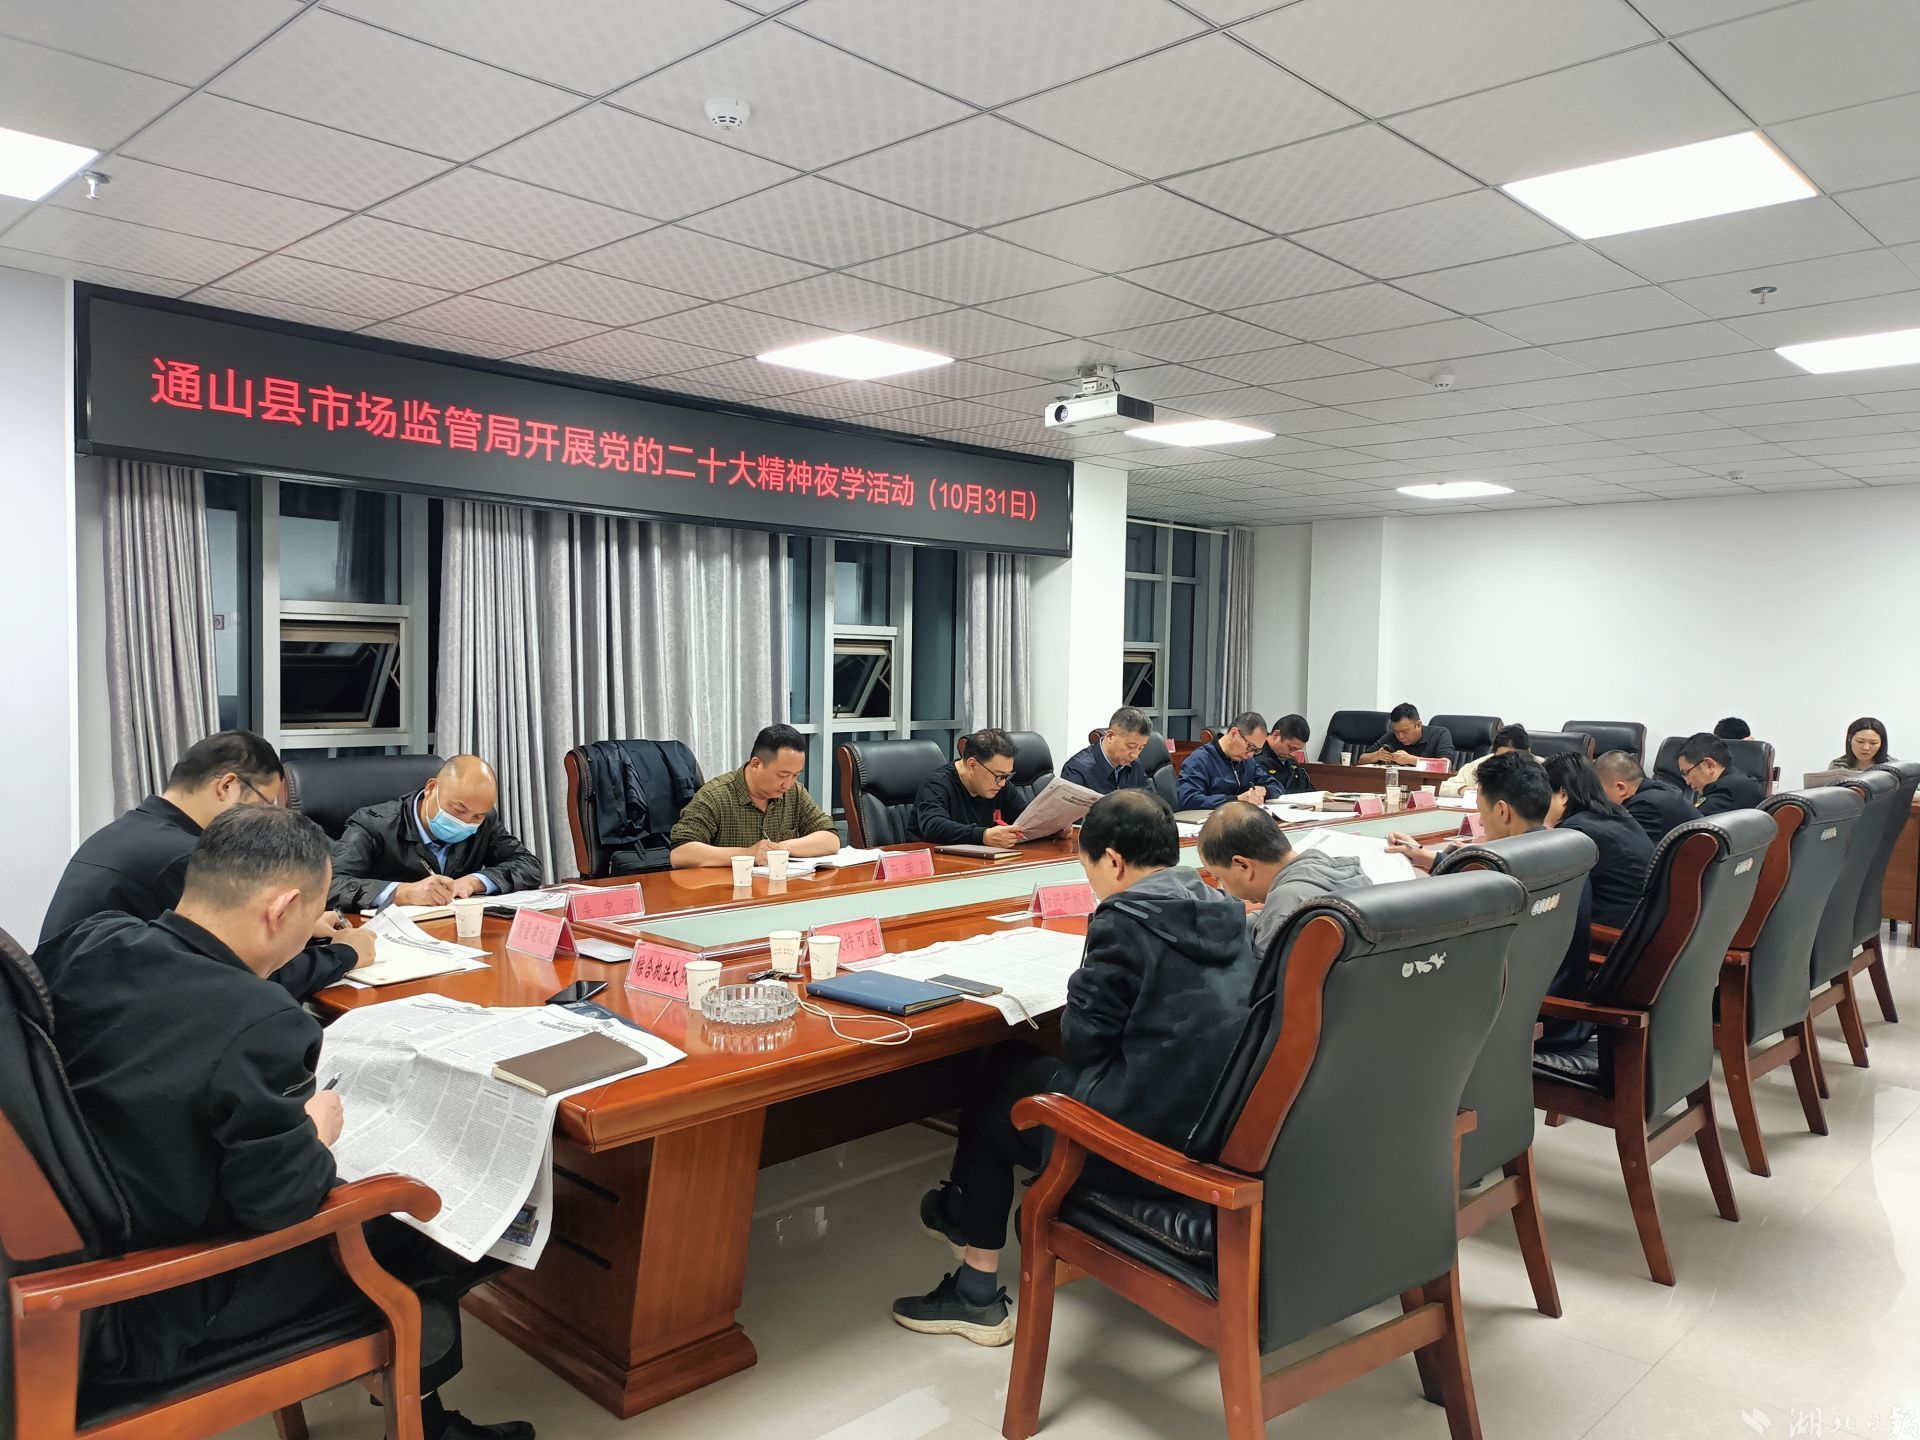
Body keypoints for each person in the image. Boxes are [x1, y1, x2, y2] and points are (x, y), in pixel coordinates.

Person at [37, 805, 533, 1440]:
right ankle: (424, 1422)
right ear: (281, 908)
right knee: (426, 1224)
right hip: (156, 1301)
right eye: (313, 917)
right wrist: (317, 1131)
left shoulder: (94, 939)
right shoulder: (257, 1016)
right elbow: (281, 1203)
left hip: (86, 1239)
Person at [892, 790, 1256, 1343]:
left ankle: (975, 1289)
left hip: (1141, 1143)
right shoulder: (1224, 910)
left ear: (1113, 860)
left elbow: (1084, 1045)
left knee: (998, 1088)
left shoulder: (1126, 920)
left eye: (1088, 870)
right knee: (1011, 1067)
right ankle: (959, 1214)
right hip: (1215, 1126)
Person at [38, 729, 370, 997]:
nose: (266, 816)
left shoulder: (134, 831)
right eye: (265, 802)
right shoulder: (186, 858)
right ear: (227, 786)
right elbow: (244, 977)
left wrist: (302, 927)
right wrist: (343, 954)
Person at [329, 754, 543, 911]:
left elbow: (528, 865)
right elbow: (329, 884)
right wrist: (403, 892)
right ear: (431, 788)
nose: (465, 822)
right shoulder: (372, 824)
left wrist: (474, 881)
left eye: (477, 816)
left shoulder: (484, 821)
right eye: (458, 809)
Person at [1198, 800, 1370, 953]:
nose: (1221, 886)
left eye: (1218, 877)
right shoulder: (1347, 872)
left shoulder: (1284, 906)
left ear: (1243, 865)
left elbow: (1262, 977)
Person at [668, 724, 839, 868]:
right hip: (728, 892)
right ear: (756, 764)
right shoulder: (715, 796)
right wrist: (747, 854)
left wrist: (783, 848)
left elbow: (830, 839)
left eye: (795, 775)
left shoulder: (795, 792)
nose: (788, 784)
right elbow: (680, 853)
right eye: (782, 775)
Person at [1544, 752, 1653, 930]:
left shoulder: (1576, 831)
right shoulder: (1617, 813)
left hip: (1611, 935)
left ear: (1563, 794)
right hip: (1642, 927)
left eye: (1545, 796)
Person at [914, 728, 1032, 848]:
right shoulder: (936, 785)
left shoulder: (1000, 784)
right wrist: (983, 836)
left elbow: (1026, 818)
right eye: (999, 776)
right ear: (972, 765)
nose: (1002, 783)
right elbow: (933, 826)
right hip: (934, 856)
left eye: (1006, 776)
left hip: (982, 856)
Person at [1176, 710, 1281, 810]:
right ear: (1233, 734)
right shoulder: (1200, 760)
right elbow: (1187, 799)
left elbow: (1277, 786)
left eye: (1256, 750)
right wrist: (1236, 800)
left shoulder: (1247, 762)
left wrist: (1264, 791)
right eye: (1250, 747)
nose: (1251, 754)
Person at [1592, 751, 1695, 844]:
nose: (1599, 799)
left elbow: (1621, 846)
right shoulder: (1663, 790)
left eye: (1600, 792)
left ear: (1621, 788)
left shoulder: (1646, 806)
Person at [1059, 707, 1153, 795]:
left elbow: (1151, 800)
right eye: (1131, 746)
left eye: (1141, 748)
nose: (1134, 755)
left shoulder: (1135, 765)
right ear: (1110, 736)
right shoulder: (1077, 770)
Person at [1675, 732, 1764, 815]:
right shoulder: (1738, 781)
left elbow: (1691, 822)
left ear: (1709, 765)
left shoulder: (1727, 792)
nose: (1687, 782)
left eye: (1686, 773)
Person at [1439, 723, 1531, 797]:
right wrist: (1464, 790)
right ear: (1494, 753)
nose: (1508, 761)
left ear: (1528, 751)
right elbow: (1444, 788)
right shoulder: (1481, 764)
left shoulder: (1538, 767)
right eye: (1502, 757)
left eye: (1513, 756)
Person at [1358, 703, 1456, 766]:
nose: (1400, 736)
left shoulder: (1439, 734)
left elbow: (1446, 764)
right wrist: (1377, 755)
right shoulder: (1392, 735)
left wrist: (1410, 759)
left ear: (1418, 725)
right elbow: (1361, 759)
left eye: (1405, 731)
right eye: (1396, 731)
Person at [1247, 713, 1316, 796]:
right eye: (1291, 748)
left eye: (1297, 750)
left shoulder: (1290, 760)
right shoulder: (1253, 757)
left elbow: (1309, 790)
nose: (1293, 754)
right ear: (1276, 735)